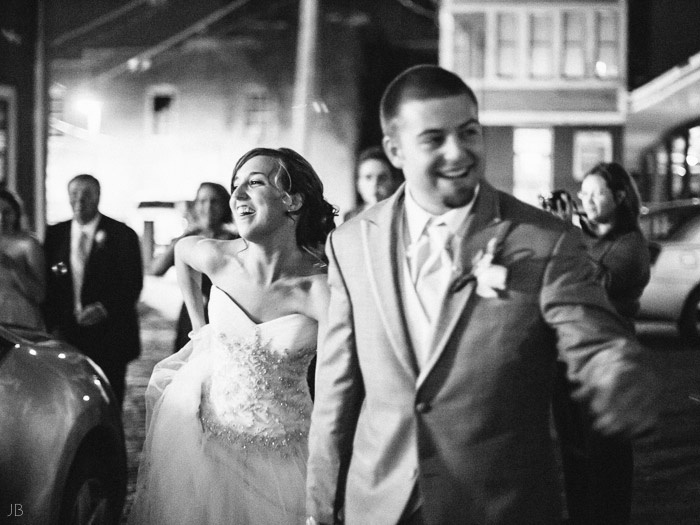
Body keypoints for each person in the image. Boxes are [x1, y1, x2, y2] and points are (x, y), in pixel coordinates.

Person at [305, 65, 660, 525]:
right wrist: (318, 509)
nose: (458, 153)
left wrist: (617, 374)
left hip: (496, 506)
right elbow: (336, 396)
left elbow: (592, 338)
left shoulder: (543, 240)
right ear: (395, 150)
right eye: (434, 139)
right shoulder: (351, 244)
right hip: (380, 506)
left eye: (468, 132)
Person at [128, 147, 336, 525]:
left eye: (253, 183)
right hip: (205, 443)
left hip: (286, 458)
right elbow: (181, 254)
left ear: (293, 200)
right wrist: (199, 329)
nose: (236, 196)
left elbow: (339, 383)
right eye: (234, 185)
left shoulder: (321, 289)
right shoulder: (219, 259)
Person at [552, 162, 651, 524]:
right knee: (575, 461)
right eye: (584, 192)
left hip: (607, 370)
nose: (586, 200)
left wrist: (565, 233)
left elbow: (590, 283)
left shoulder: (631, 247)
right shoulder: (586, 235)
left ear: (620, 197)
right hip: (570, 366)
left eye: (596, 193)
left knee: (606, 467)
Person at [44, 174, 143, 406]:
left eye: (86, 194)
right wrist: (54, 325)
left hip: (110, 335)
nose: (79, 200)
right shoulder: (55, 235)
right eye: (74, 194)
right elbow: (53, 275)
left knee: (109, 398)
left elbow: (132, 283)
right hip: (68, 334)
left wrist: (104, 308)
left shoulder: (121, 235)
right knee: (71, 399)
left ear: (98, 196)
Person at [149, 182, 237, 352]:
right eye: (203, 201)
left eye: (214, 201)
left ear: (225, 206)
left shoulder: (235, 239)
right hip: (191, 313)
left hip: (225, 315)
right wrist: (185, 235)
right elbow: (156, 270)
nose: (208, 207)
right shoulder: (188, 240)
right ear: (195, 206)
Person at [0, 189, 46, 330]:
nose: (1, 218)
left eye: (7, 212)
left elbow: (39, 294)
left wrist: (13, 266)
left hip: (18, 317)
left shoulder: (28, 244)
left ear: (16, 214)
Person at [343, 145, 402, 221]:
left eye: (382, 178)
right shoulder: (350, 217)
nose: (375, 184)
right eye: (368, 177)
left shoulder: (401, 216)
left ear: (392, 181)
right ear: (358, 184)